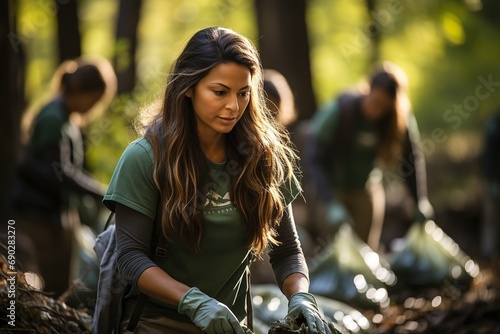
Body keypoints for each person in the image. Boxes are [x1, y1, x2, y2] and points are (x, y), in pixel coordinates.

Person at [103, 27, 337, 333]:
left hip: (231, 326)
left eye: (243, 93)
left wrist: (301, 296)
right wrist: (193, 301)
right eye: (219, 92)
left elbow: (287, 251)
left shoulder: (263, 158)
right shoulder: (145, 158)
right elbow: (130, 258)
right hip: (156, 324)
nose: (233, 106)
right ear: (188, 87)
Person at [11, 56, 116, 295]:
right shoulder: (54, 119)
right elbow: (60, 173)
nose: (94, 107)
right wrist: (102, 193)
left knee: (57, 283)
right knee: (45, 286)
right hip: (37, 216)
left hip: (51, 214)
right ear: (84, 92)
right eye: (96, 100)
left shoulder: (65, 118)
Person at [307, 62, 433, 251]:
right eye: (374, 102)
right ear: (368, 90)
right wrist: (330, 202)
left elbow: (411, 159)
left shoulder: (397, 121)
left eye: (383, 107)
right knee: (336, 250)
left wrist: (419, 200)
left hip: (367, 190)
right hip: (333, 189)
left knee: (366, 252)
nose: (376, 110)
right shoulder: (338, 112)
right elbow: (314, 160)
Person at [480, 110, 500, 259]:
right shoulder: (494, 124)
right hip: (494, 181)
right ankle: (489, 255)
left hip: (493, 178)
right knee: (492, 219)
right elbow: (487, 155)